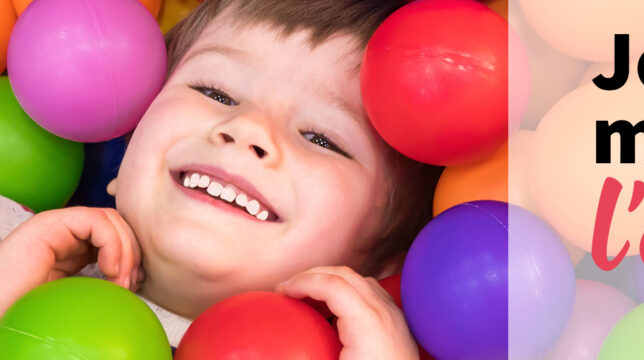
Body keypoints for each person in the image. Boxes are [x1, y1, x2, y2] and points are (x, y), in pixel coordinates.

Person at [0, 0, 442, 356]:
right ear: (130, 136)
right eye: (216, 92)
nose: (249, 128)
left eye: (322, 138)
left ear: (385, 262)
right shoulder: (18, 253)